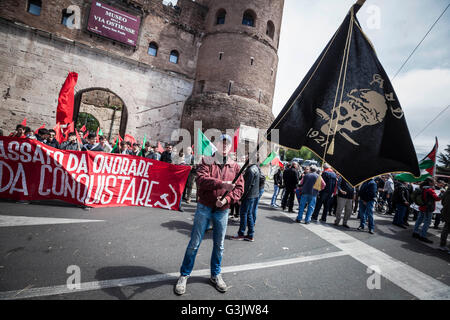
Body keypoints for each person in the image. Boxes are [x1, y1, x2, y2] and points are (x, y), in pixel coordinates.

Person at [174, 134, 244, 296]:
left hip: (222, 210)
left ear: (230, 148)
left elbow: (239, 190)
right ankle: (184, 275)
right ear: (217, 145)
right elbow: (201, 180)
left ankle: (215, 274)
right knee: (194, 243)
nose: (225, 146)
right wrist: (221, 184)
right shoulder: (206, 160)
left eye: (227, 144)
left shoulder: (235, 166)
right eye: (222, 143)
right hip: (204, 207)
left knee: (219, 245)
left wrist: (226, 199)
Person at [231, 154, 260, 242]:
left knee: (244, 214)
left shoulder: (251, 170)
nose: (246, 158)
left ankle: (241, 234)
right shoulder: (255, 168)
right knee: (249, 215)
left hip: (249, 196)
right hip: (253, 195)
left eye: (247, 157)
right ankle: (250, 234)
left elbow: (247, 186)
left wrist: (241, 198)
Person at [413, 178, 442, 243]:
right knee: (427, 222)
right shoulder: (430, 190)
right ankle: (423, 236)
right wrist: (441, 194)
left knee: (419, 220)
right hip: (428, 208)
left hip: (422, 207)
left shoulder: (422, 188)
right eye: (434, 182)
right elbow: (437, 198)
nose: (435, 183)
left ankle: (415, 232)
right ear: (430, 182)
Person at [438, 184, 450, 252]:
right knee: (446, 230)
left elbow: (442, 202)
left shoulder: (447, 192)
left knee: (445, 230)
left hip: (446, 212)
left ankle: (442, 245)